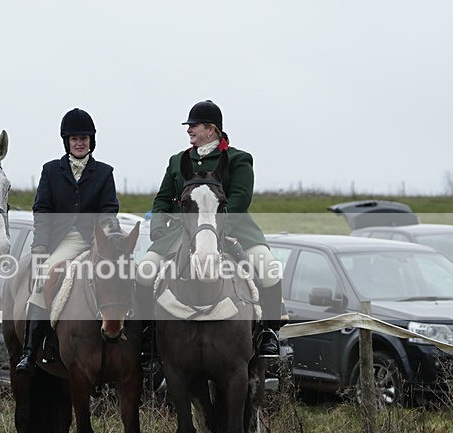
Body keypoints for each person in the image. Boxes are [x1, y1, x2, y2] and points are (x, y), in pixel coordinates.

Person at [136, 99, 284, 356]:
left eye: (194, 125)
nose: (189, 130)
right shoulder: (177, 161)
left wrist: (218, 228)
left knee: (269, 269)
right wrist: (158, 228)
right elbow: (161, 200)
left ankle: (269, 332)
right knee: (145, 272)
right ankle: (148, 332)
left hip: (234, 228)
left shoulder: (238, 159)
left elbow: (239, 199)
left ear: (211, 129)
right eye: (189, 126)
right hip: (182, 232)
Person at [14, 108, 119, 374]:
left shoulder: (104, 172)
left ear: (91, 141)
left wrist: (110, 233)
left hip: (95, 241)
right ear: (67, 142)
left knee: (118, 279)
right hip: (62, 241)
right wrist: (39, 248)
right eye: (74, 139)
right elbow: (42, 211)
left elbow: (108, 209)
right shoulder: (51, 171)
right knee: (41, 283)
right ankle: (30, 352)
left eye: (84, 138)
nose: (80, 142)